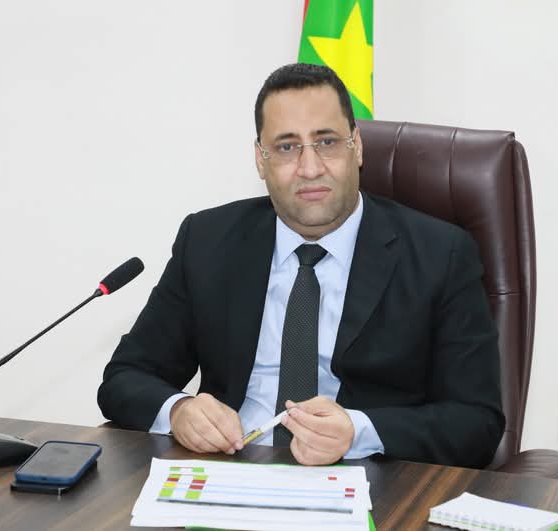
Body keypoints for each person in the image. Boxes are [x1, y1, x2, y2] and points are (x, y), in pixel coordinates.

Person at [98, 63, 504, 467]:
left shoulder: (440, 254)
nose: (310, 169)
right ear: (261, 160)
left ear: (357, 147)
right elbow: (126, 376)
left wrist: (358, 431)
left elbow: (476, 422)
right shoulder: (208, 240)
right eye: (287, 147)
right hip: (230, 470)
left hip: (368, 479)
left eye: (327, 142)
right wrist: (178, 410)